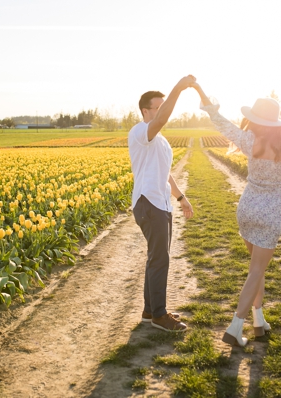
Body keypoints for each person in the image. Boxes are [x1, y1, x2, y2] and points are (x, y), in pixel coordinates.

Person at [193, 83, 281, 347]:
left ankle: (258, 320)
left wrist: (203, 96)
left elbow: (221, 122)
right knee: (257, 268)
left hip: (246, 208)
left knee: (257, 269)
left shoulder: (249, 140)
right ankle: (235, 327)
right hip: (270, 212)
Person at [128, 75, 196, 332]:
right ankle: (159, 315)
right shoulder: (140, 132)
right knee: (160, 260)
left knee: (156, 258)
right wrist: (179, 88)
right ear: (146, 110)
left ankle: (149, 311)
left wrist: (180, 196)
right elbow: (161, 119)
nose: (163, 111)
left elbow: (165, 172)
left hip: (161, 203)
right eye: (158, 106)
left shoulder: (160, 141)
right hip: (149, 203)